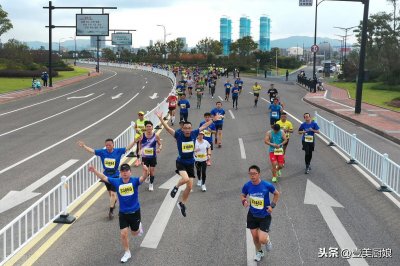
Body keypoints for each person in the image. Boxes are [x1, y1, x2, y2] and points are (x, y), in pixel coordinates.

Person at [155, 111, 221, 217]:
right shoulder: (178, 135)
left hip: (190, 163)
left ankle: (182, 204)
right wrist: (161, 119)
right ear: (182, 129)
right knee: (185, 179)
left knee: (189, 187)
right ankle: (176, 188)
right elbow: (167, 129)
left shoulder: (194, 133)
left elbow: (204, 125)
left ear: (191, 129)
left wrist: (213, 120)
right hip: (181, 162)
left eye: (189, 128)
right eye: (185, 128)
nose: (187, 130)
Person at [88, 163, 148, 263]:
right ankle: (127, 252)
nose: (124, 173)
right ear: (120, 173)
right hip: (123, 213)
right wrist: (94, 171)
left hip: (134, 212)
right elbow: (104, 177)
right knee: (123, 234)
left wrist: (145, 171)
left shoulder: (134, 181)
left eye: (126, 171)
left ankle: (138, 227)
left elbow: (143, 178)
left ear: (130, 172)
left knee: (135, 233)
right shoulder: (116, 181)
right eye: (122, 171)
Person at [77, 138, 137, 219]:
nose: (108, 146)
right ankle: (114, 201)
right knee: (110, 194)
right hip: (106, 177)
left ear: (113, 145)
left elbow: (127, 148)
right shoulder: (102, 152)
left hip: (115, 176)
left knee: (113, 194)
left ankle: (111, 211)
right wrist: (84, 146)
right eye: (106, 145)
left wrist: (134, 141)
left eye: (109, 145)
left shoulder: (118, 151)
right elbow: (92, 151)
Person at [241, 165, 280, 262]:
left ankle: (267, 240)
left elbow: (276, 193)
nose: (252, 176)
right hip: (252, 215)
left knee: (261, 239)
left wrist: (272, 206)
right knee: (255, 237)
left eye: (254, 174)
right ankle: (259, 252)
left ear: (259, 174)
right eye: (250, 174)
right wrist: (244, 201)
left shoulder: (267, 185)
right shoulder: (247, 185)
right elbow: (243, 195)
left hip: (264, 216)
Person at [139, 121, 162, 191]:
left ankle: (151, 184)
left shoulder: (156, 136)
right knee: (145, 171)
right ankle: (147, 176)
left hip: (152, 157)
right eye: (147, 126)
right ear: (145, 128)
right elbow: (139, 144)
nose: (148, 128)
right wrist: (139, 150)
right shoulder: (142, 135)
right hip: (144, 157)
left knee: (152, 171)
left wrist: (159, 148)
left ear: (152, 127)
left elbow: (160, 144)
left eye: (150, 126)